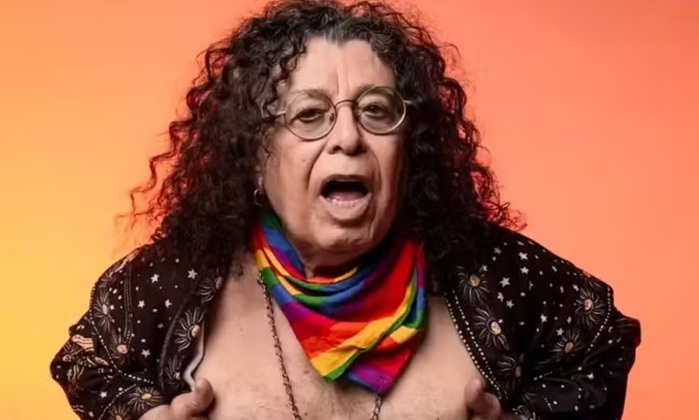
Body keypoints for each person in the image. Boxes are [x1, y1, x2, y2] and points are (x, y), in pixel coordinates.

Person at [49, 0, 641, 419]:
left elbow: (603, 340)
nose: (349, 138)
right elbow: (86, 362)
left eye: (377, 111)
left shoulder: (493, 272)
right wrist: (142, 414)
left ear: (410, 149)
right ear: (254, 156)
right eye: (310, 115)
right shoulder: (175, 280)